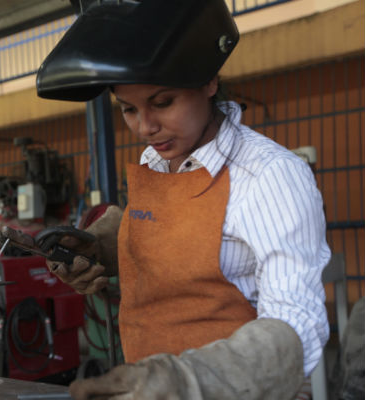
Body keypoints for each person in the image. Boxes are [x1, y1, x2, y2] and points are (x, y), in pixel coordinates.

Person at [34, 0, 331, 399]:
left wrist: (193, 382)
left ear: (208, 81)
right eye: (128, 109)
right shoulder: (154, 160)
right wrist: (104, 246)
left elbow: (299, 321)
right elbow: (172, 235)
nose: (146, 127)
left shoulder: (270, 175)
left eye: (162, 102)